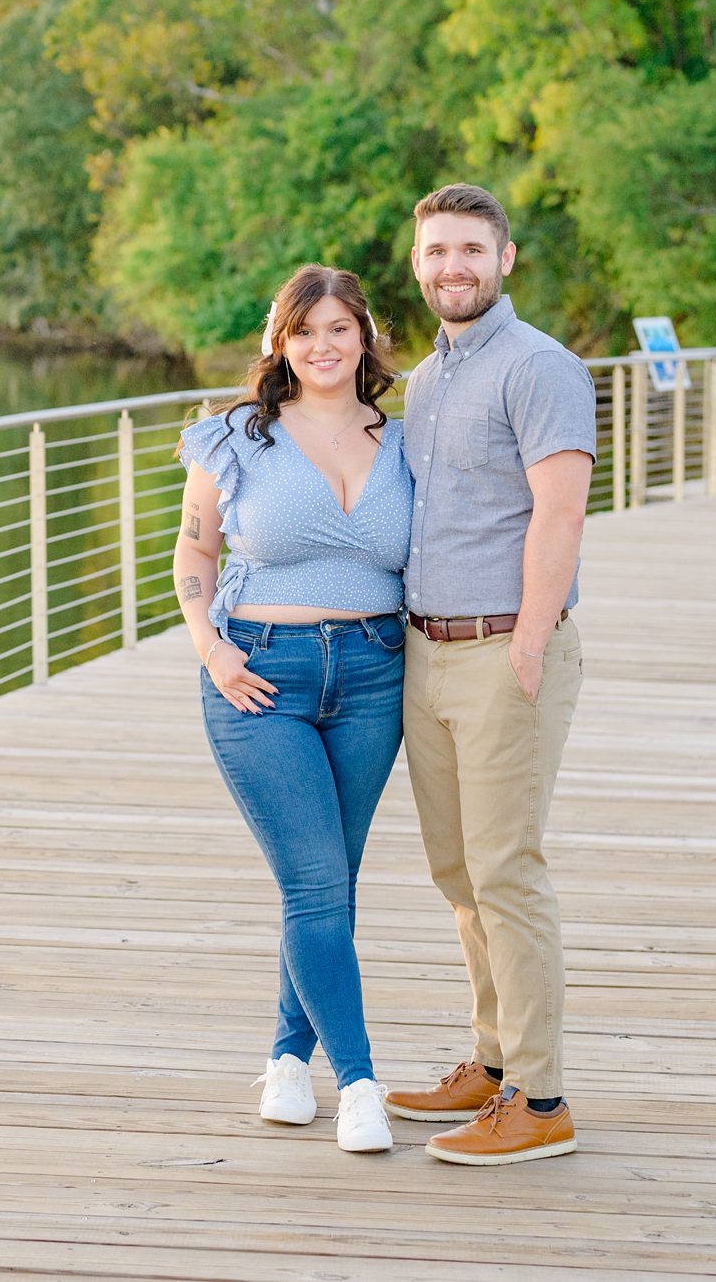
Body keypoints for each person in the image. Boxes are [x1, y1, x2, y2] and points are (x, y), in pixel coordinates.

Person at [381, 183, 596, 1166]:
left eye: (471, 248)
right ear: (418, 264)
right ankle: (493, 1057)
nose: (452, 266)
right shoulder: (427, 378)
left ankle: (541, 1097)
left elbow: (558, 514)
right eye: (437, 252)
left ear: (506, 257)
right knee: (458, 873)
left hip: (509, 647)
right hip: (428, 651)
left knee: (508, 870)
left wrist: (532, 641)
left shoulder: (538, 366)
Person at [175, 264, 413, 1155]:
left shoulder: (404, 438)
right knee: (316, 881)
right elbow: (193, 554)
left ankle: (285, 1056)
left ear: (364, 338)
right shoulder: (237, 436)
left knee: (330, 883)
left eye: (340, 328)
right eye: (305, 329)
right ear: (281, 340)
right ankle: (357, 1082)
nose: (323, 344)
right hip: (259, 676)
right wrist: (213, 647)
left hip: (375, 671)